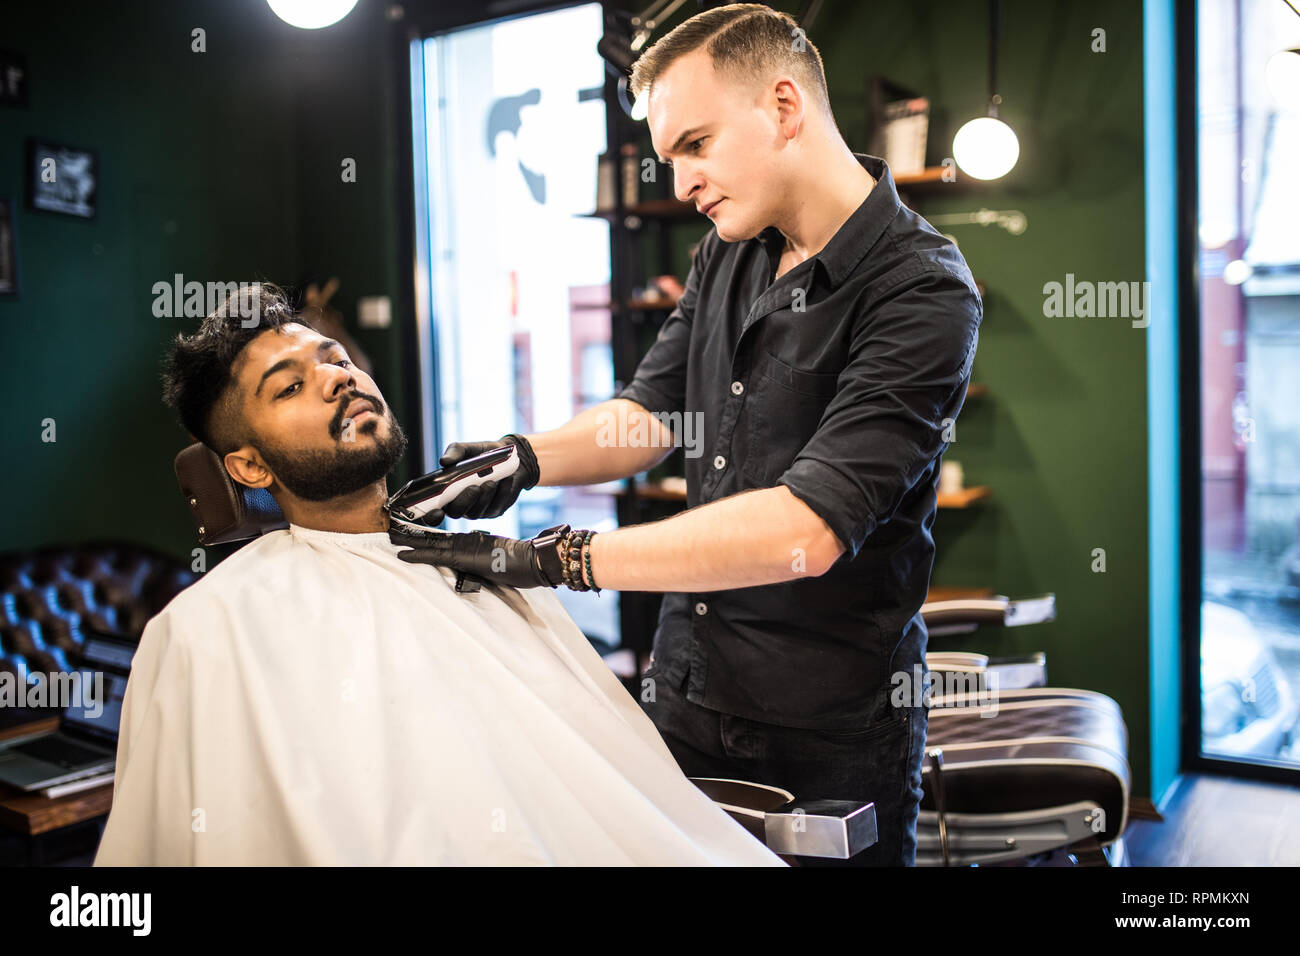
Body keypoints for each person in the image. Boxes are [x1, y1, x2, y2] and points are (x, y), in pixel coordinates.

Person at [395, 3, 982, 866]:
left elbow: (804, 531)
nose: (680, 184)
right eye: (670, 157)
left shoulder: (922, 291)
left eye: (695, 145)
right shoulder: (730, 249)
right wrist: (524, 459)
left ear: (784, 108)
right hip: (686, 688)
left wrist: (559, 558)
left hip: (827, 728)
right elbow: (651, 411)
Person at [92, 283, 783, 866]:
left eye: (334, 360)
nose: (338, 377)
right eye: (293, 386)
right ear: (247, 467)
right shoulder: (209, 631)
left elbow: (621, 791)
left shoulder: (485, 568)